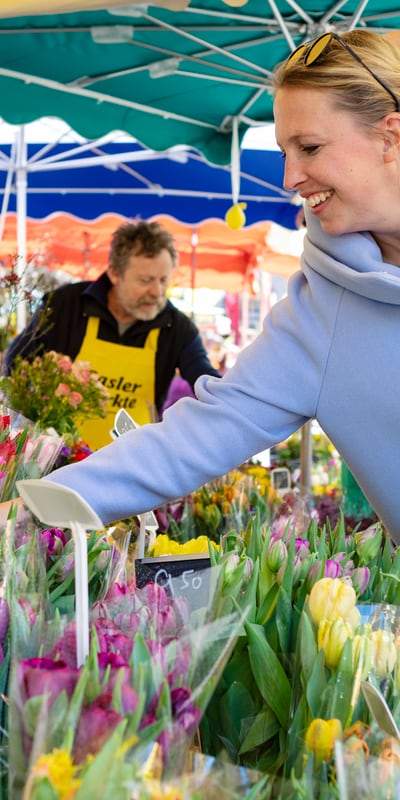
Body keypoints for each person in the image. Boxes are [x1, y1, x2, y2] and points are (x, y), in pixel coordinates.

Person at [12, 28, 400, 545]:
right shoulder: (321, 310)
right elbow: (200, 434)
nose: (289, 179)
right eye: (285, 152)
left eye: (309, 147)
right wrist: (31, 509)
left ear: (391, 136)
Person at [4, 220, 220, 448]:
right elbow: (16, 365)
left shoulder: (178, 328)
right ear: (115, 273)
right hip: (60, 460)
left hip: (134, 461)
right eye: (145, 281)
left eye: (163, 279)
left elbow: (206, 380)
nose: (157, 292)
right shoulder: (64, 305)